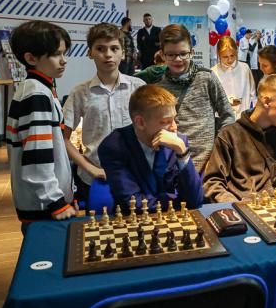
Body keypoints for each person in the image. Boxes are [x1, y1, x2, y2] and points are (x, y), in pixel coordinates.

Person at [62, 23, 145, 201]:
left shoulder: (138, 88)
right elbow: (64, 138)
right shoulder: (80, 92)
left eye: (114, 48)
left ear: (123, 53)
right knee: (98, 218)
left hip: (135, 177)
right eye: (100, 49)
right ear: (90, 53)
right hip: (95, 179)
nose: (108, 54)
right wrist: (90, 168)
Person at [6, 21, 74, 225]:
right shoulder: (36, 93)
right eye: (55, 54)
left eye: (63, 53)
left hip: (43, 202)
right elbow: (37, 155)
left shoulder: (39, 88)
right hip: (43, 206)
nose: (63, 61)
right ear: (31, 58)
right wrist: (55, 201)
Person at [98, 85, 204, 213]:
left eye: (174, 119)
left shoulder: (177, 143)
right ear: (140, 122)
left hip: (174, 219)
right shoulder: (114, 147)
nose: (174, 127)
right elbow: (132, 204)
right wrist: (177, 201)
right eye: (166, 121)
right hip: (135, 221)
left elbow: (195, 200)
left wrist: (183, 153)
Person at [203, 75, 276, 202]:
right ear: (266, 102)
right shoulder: (229, 135)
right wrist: (236, 206)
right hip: (244, 206)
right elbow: (213, 182)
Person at [156, 24, 234, 171]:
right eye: (171, 55)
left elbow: (228, 115)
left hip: (209, 165)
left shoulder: (206, 78)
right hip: (173, 166)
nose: (178, 59)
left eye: (183, 53)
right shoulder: (159, 88)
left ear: (191, 52)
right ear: (162, 55)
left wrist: (219, 150)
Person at [212, 36, 255, 115]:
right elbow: (212, 98)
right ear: (218, 54)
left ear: (236, 52)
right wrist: (229, 101)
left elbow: (253, 93)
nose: (230, 60)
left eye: (232, 55)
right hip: (223, 117)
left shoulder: (245, 68)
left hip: (243, 115)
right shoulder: (213, 72)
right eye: (225, 57)